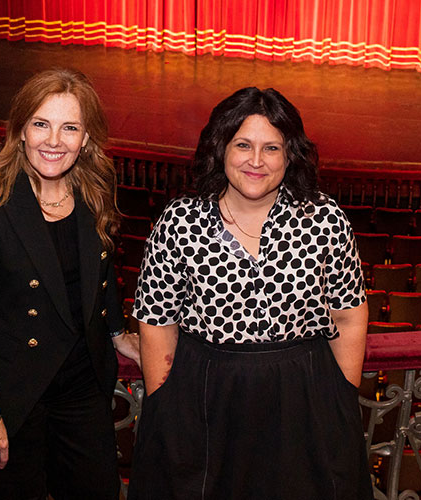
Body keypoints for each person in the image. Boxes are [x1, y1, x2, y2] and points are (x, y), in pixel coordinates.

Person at [128, 87, 373, 499]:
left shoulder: (326, 219)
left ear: (290, 154)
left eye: (271, 148)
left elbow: (349, 315)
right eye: (243, 145)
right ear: (220, 147)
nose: (256, 161)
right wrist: (167, 404)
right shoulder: (179, 221)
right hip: (204, 400)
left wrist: (341, 399)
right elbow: (156, 320)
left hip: (303, 405)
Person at [0, 68, 140, 500]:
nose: (54, 141)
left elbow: (102, 268)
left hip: (81, 386)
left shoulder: (95, 190)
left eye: (70, 127)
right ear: (20, 131)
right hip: (11, 395)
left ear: (86, 138)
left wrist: (117, 331)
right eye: (41, 124)